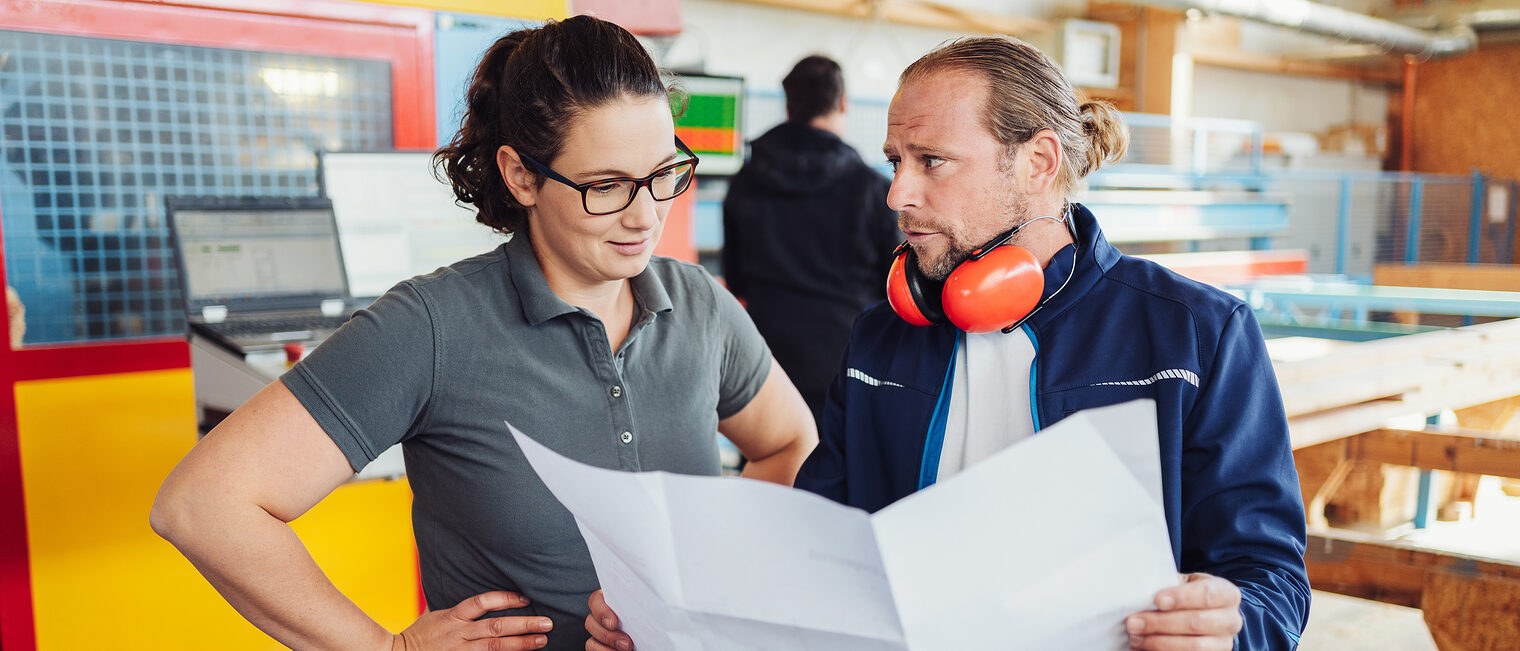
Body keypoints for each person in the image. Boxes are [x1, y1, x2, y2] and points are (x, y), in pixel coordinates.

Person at [589, 36, 1308, 651]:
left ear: (1037, 164)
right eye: (895, 159)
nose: (897, 192)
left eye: (931, 161)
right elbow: (812, 559)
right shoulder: (878, 339)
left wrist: (1231, 624)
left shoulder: (1197, 333)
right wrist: (669, 606)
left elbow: (1270, 578)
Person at [151, 16, 816, 651]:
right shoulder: (433, 326)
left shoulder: (697, 304)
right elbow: (205, 504)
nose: (646, 215)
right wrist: (381, 644)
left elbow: (789, 442)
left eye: (663, 173)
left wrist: (701, 585)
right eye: (607, 185)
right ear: (520, 174)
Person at [720, 55, 899, 424]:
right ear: (843, 103)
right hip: (849, 365)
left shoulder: (747, 180)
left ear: (789, 106)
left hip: (764, 365)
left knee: (768, 471)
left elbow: (734, 278)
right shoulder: (875, 191)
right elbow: (895, 288)